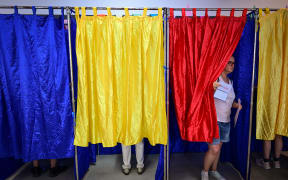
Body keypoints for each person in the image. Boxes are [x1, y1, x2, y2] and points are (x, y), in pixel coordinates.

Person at [201, 56, 242, 180]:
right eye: (229, 62)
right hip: (215, 120)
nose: (231, 65)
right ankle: (205, 172)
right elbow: (205, 94)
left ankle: (214, 170)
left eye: (233, 63)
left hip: (226, 121)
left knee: (219, 148)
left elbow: (228, 101)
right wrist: (211, 88)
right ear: (222, 63)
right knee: (214, 148)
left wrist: (237, 105)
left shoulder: (230, 82)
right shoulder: (216, 78)